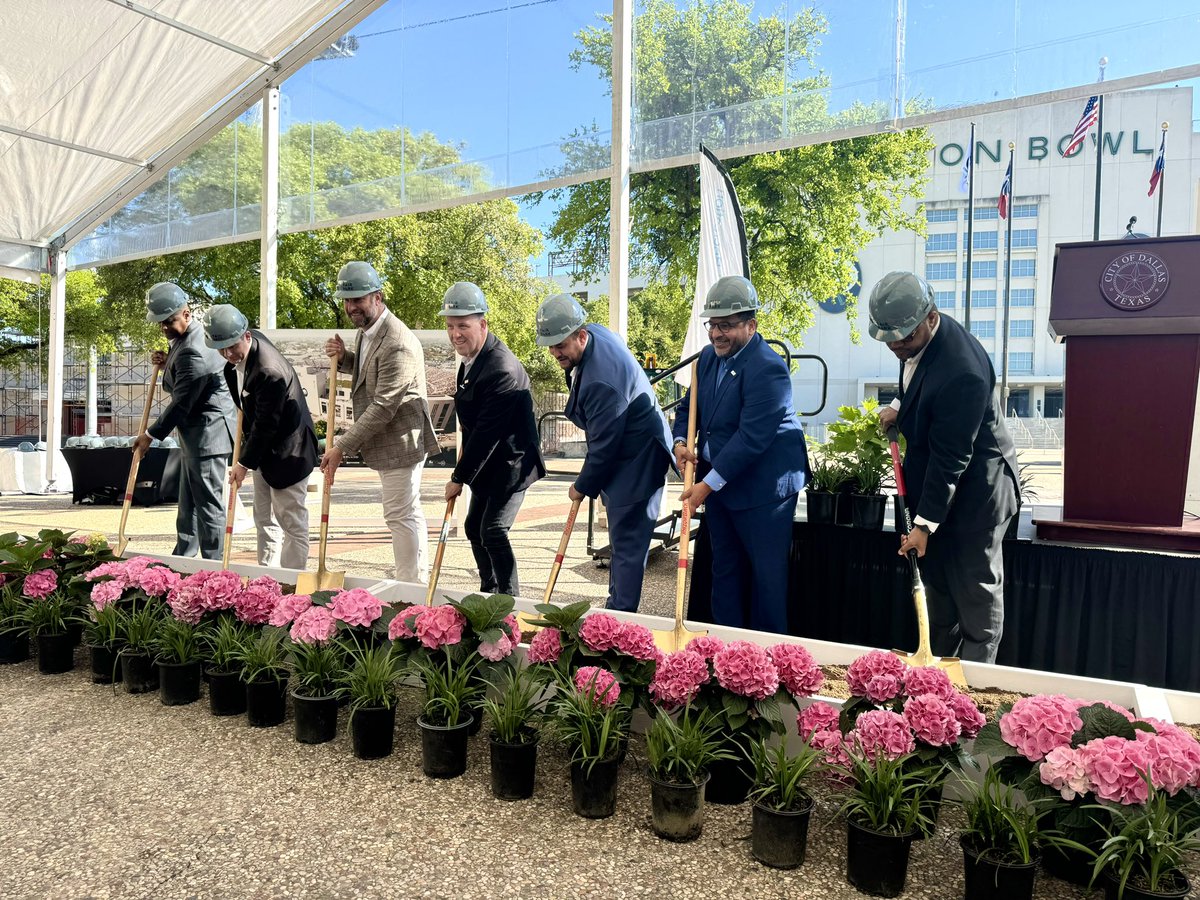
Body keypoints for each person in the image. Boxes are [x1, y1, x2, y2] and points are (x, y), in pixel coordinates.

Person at [870, 271, 1019, 664]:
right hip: (938, 489)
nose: (899, 346)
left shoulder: (963, 371)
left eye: (906, 337)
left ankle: (975, 686)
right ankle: (937, 676)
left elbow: (951, 458)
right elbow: (916, 378)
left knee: (976, 597)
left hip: (977, 495)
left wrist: (923, 526)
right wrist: (900, 407)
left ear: (931, 317)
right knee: (939, 597)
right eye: (891, 340)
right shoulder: (919, 339)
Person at [674, 275, 808, 634]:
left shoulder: (768, 368)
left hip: (765, 490)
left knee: (767, 580)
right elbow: (690, 409)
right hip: (721, 484)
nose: (717, 333)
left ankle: (767, 666)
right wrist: (679, 444)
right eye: (713, 325)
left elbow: (752, 438)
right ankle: (725, 653)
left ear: (751, 325)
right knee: (725, 571)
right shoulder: (706, 359)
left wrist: (705, 486)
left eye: (727, 325)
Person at [535, 294, 672, 612]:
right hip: (628, 445)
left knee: (625, 543)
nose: (555, 352)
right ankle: (615, 609)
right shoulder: (595, 333)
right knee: (621, 536)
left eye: (561, 345)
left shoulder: (601, 382)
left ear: (581, 335)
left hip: (638, 458)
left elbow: (603, 448)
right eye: (551, 345)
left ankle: (620, 620)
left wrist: (581, 486)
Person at [321, 261, 438, 583]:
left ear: (378, 296)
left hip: (401, 441)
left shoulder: (397, 341)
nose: (351, 307)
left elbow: (385, 404)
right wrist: (345, 358)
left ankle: (410, 587)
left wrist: (341, 446)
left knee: (401, 514)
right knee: (402, 513)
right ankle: (412, 583)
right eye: (346, 300)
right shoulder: (369, 331)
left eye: (357, 299)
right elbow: (371, 370)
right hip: (390, 438)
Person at [439, 282, 545, 595]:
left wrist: (459, 477)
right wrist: (463, 466)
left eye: (463, 326)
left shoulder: (501, 369)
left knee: (493, 530)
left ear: (482, 324)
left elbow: (487, 433)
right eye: (450, 326)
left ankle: (508, 600)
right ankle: (490, 587)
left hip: (511, 464)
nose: (456, 334)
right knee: (474, 527)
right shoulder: (472, 360)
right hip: (488, 463)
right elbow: (472, 426)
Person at [204, 305, 318, 570]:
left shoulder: (269, 371)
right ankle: (265, 578)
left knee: (291, 522)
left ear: (246, 335)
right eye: (221, 348)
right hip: (264, 452)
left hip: (290, 453)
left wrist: (243, 464)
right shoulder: (240, 354)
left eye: (232, 346)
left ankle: (292, 583)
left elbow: (267, 425)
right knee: (263, 517)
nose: (228, 354)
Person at [133, 283, 236, 560]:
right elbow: (185, 377)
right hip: (196, 436)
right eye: (160, 323)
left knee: (209, 506)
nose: (164, 328)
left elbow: (181, 403)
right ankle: (183, 559)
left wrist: (150, 436)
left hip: (208, 436)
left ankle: (215, 566)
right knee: (188, 504)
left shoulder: (193, 349)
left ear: (187, 314)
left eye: (169, 321)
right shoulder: (187, 341)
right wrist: (169, 363)